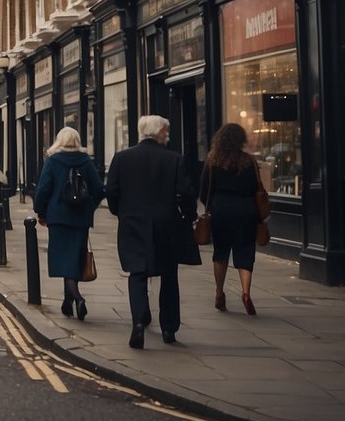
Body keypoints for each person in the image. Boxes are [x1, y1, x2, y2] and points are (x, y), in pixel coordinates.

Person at [106, 115, 198, 349]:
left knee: (137, 273)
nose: (168, 135)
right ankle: (168, 329)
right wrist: (189, 215)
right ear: (158, 133)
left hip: (132, 223)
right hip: (166, 225)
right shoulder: (174, 159)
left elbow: (112, 192)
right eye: (166, 131)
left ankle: (138, 322)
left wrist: (120, 212)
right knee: (169, 274)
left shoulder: (122, 158)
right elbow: (187, 193)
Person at [33, 127, 105, 321]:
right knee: (74, 259)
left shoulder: (53, 161)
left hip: (58, 219)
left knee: (65, 260)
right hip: (80, 220)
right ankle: (68, 303)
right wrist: (89, 207)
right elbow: (99, 189)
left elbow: (43, 190)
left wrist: (41, 211)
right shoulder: (86, 162)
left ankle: (78, 298)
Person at [199, 122, 263, 315]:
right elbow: (256, 189)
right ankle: (245, 292)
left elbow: (204, 191)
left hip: (221, 210)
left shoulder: (212, 161)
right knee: (245, 251)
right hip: (246, 211)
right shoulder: (249, 162)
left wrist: (210, 206)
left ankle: (219, 292)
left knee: (221, 252)